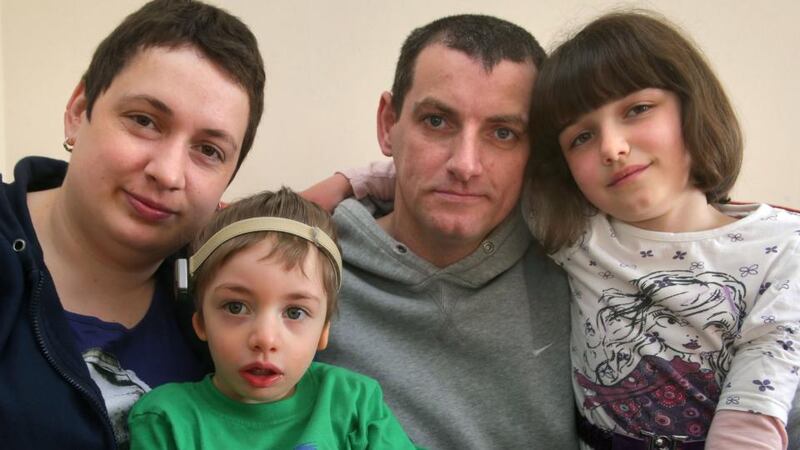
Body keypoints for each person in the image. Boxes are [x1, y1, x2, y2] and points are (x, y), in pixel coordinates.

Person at [524, 11, 800, 449]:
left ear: (692, 106)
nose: (612, 148)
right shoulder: (573, 233)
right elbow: (477, 184)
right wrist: (375, 185)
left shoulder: (785, 249)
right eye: (581, 137)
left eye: (637, 109)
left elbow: (754, 414)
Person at [0, 0, 265, 448]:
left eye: (208, 150)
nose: (168, 172)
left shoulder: (228, 310)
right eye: (144, 121)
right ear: (78, 111)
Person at [307, 15, 577, 449]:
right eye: (437, 121)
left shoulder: (584, 269)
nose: (465, 165)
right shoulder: (300, 271)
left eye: (503, 133)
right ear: (388, 123)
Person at [127, 188, 419, 449]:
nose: (265, 339)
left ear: (323, 332)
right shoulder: (166, 419)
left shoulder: (354, 403)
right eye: (236, 307)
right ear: (201, 322)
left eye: (295, 312)